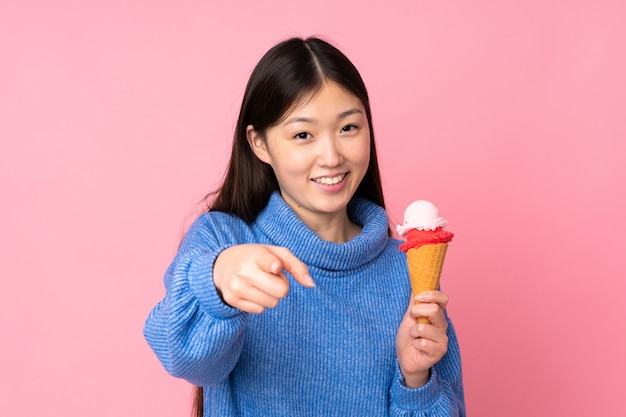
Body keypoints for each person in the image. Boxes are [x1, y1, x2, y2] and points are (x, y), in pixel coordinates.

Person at [144, 36, 465, 417]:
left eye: (349, 128)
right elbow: (184, 358)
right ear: (259, 144)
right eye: (302, 135)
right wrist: (216, 282)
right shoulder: (224, 240)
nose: (331, 156)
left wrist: (416, 380)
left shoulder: (406, 272)